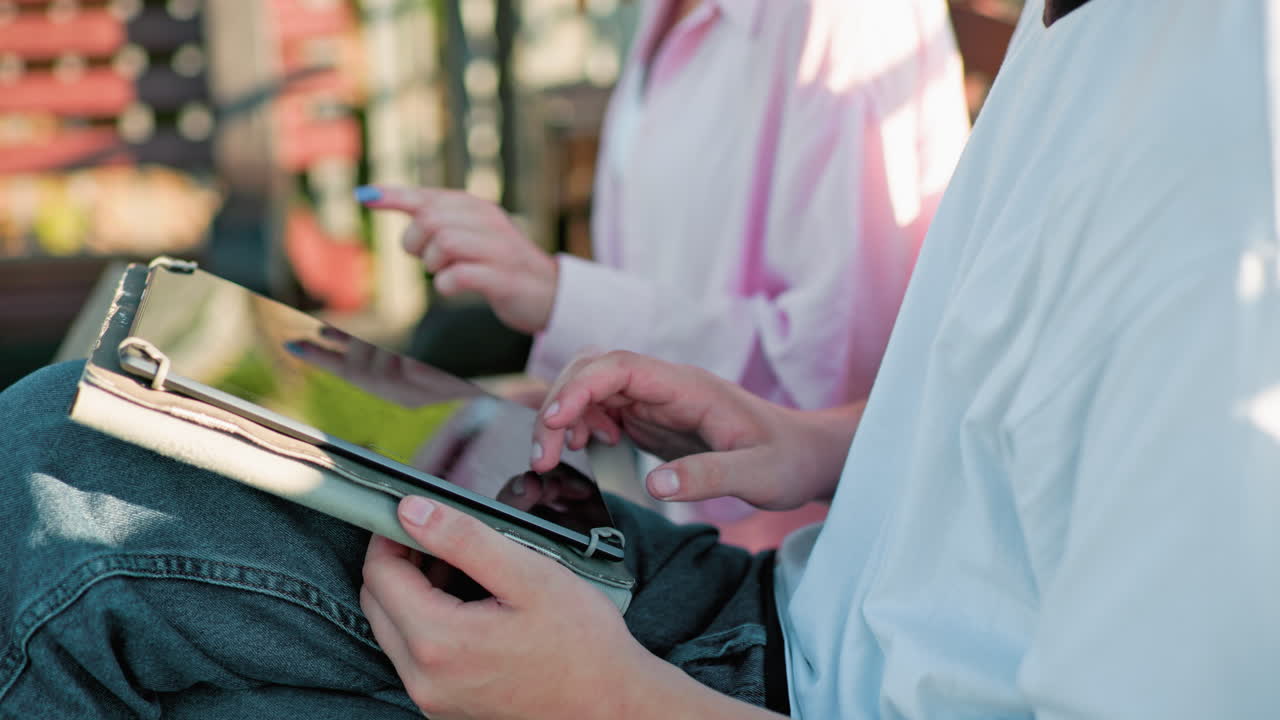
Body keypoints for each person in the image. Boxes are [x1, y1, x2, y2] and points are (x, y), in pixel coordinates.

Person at [4, 0, 1280, 717]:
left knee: (61, 511)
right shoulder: (1095, 34)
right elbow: (1042, 414)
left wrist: (604, 703)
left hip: (763, 681)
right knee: (81, 444)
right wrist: (820, 442)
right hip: (782, 612)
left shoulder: (1227, 157)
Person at [355, 0, 970, 543]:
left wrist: (556, 295)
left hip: (790, 572)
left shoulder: (845, 19)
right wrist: (591, 394)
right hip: (675, 508)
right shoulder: (663, 11)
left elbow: (849, 384)